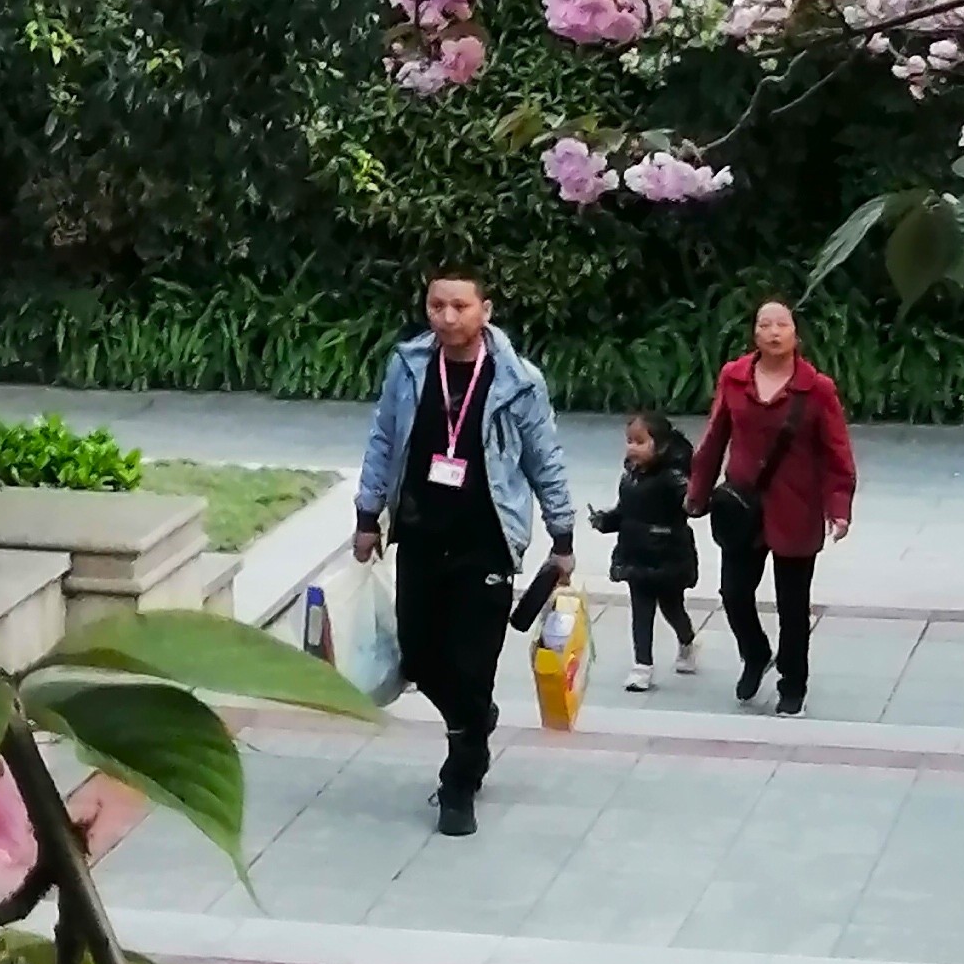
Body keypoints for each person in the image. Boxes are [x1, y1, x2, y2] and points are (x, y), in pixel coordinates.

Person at [350, 270, 576, 839]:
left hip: (486, 540)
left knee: (474, 663)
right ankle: (474, 720)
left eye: (460, 306)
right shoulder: (407, 366)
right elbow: (383, 439)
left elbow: (544, 457)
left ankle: (460, 779)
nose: (447, 317)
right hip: (422, 533)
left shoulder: (518, 381)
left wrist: (563, 534)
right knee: (420, 657)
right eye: (436, 306)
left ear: (485, 310)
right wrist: (366, 514)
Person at [692, 298, 854, 711]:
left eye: (782, 324)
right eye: (765, 324)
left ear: (795, 334)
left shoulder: (816, 389)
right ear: (755, 333)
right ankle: (755, 653)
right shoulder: (734, 378)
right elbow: (714, 438)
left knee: (793, 605)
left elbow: (837, 452)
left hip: (796, 508)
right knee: (733, 592)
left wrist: (839, 507)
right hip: (743, 505)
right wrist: (697, 492)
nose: (774, 331)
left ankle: (792, 685)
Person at [596, 411, 701, 691]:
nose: (632, 447)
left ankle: (687, 640)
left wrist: (698, 501)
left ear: (662, 445)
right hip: (636, 553)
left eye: (640, 441)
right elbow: (625, 512)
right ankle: (642, 665)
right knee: (641, 611)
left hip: (667, 554)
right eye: (629, 440)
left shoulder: (673, 477)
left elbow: (692, 502)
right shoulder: (630, 476)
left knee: (672, 608)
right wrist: (606, 521)